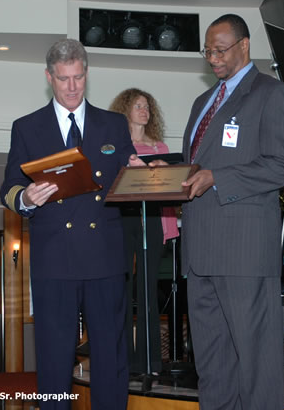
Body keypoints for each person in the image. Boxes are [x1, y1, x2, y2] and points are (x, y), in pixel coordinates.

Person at [0, 39, 144, 410]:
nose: (72, 87)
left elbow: (128, 169)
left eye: (78, 77)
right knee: (53, 357)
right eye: (64, 79)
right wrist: (26, 198)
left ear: (86, 73)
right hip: (54, 260)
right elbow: (9, 188)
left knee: (110, 358)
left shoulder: (112, 124)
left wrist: (142, 174)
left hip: (104, 258)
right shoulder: (27, 128)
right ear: (49, 77)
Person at [175, 14, 284, 409]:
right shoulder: (202, 102)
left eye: (220, 49)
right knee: (213, 364)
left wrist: (219, 178)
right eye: (207, 51)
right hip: (199, 252)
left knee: (256, 362)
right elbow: (199, 167)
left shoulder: (272, 93)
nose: (212, 58)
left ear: (245, 46)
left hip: (243, 250)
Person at [108, 88, 179, 374]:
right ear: (125, 109)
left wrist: (163, 169)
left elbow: (171, 185)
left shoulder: (160, 148)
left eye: (147, 106)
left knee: (147, 290)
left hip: (152, 217)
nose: (144, 110)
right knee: (121, 289)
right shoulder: (113, 145)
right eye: (138, 105)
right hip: (123, 217)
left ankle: (150, 361)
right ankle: (122, 359)